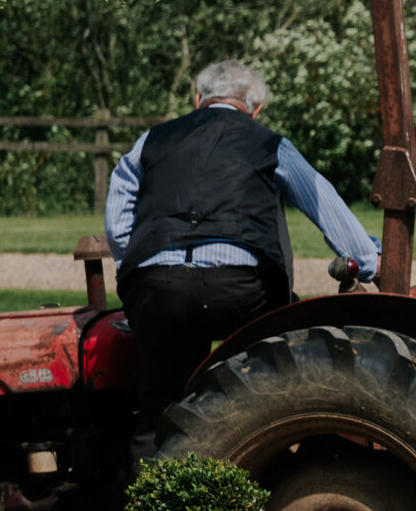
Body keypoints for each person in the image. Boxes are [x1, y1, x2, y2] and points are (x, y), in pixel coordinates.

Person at [107, 59, 379, 456]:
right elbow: (322, 200)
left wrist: (140, 272)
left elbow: (118, 222)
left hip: (156, 287)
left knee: (158, 410)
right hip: (241, 290)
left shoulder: (151, 140)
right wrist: (367, 260)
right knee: (268, 390)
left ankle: (150, 510)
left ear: (198, 99)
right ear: (256, 109)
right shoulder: (270, 143)